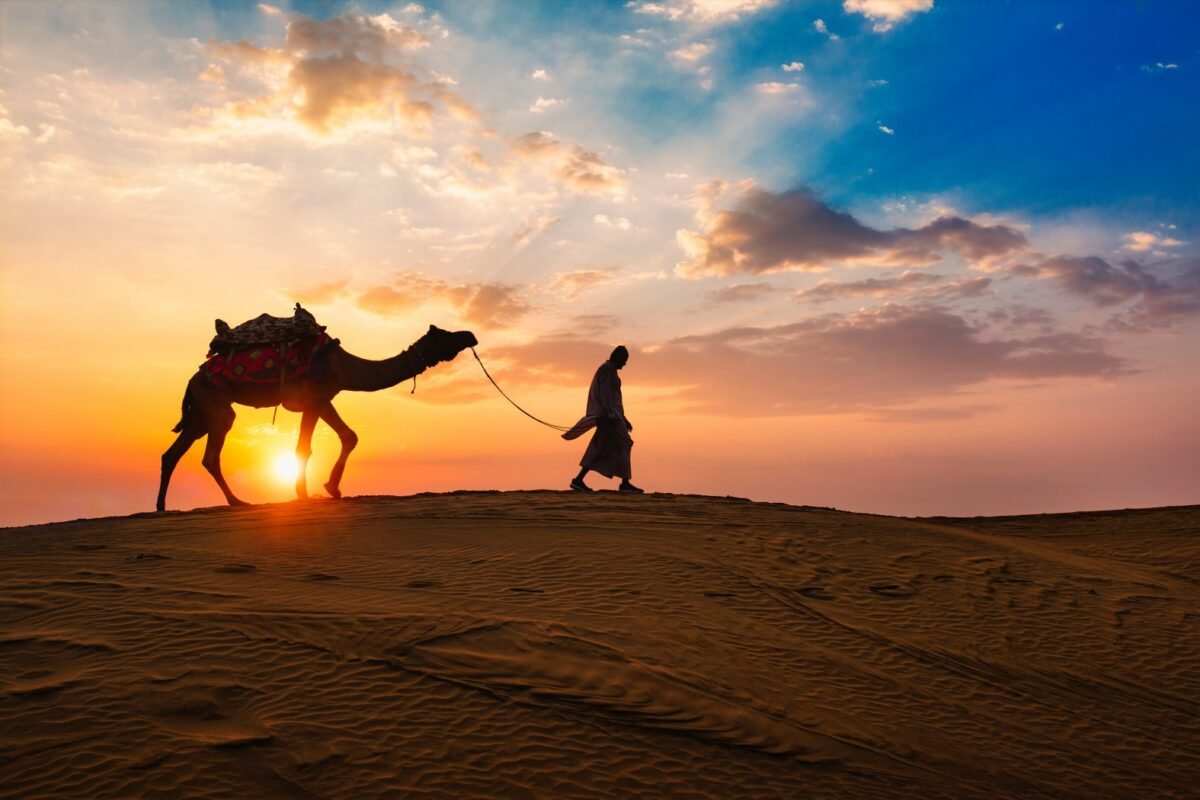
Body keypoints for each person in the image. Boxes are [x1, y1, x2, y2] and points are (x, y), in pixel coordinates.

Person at [562, 345, 644, 493]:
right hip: (608, 417)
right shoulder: (607, 370)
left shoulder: (610, 370)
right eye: (624, 360)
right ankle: (624, 483)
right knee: (623, 444)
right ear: (618, 358)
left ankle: (579, 480)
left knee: (601, 446)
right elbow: (605, 394)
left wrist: (623, 418)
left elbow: (615, 398)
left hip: (611, 416)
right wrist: (611, 416)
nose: (625, 364)